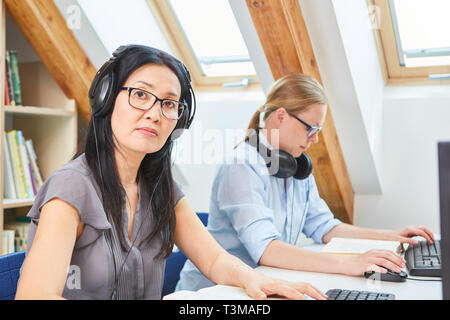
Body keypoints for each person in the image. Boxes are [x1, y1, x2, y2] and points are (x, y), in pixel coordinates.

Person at [15, 45, 328, 300]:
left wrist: (256, 282)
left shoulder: (161, 187)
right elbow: (35, 295)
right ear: (106, 98)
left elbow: (215, 260)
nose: (154, 113)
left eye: (169, 103)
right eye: (140, 94)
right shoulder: (71, 186)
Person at [176, 73, 435, 291]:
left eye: (318, 131)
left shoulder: (296, 166)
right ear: (281, 117)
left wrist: (389, 237)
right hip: (217, 291)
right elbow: (267, 250)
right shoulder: (242, 166)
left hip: (264, 283)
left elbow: (325, 226)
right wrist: (348, 264)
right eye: (310, 128)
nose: (315, 139)